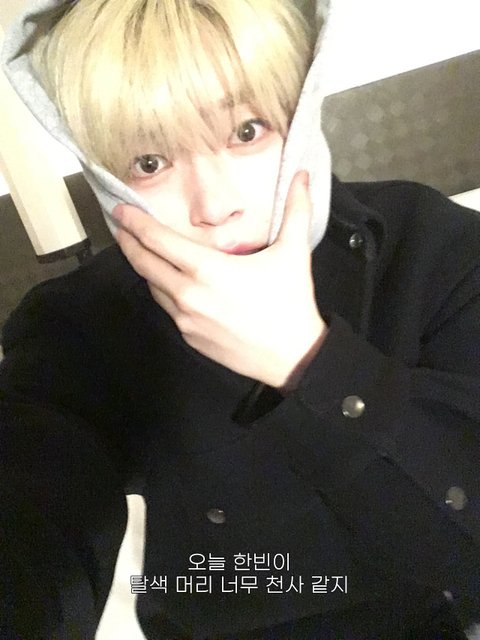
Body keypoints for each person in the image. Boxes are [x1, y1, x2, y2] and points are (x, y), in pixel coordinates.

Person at [1, 0, 479, 638]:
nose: (215, 205)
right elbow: (35, 528)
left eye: (247, 131)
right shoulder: (76, 326)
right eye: (149, 163)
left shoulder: (430, 247)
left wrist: (305, 359)